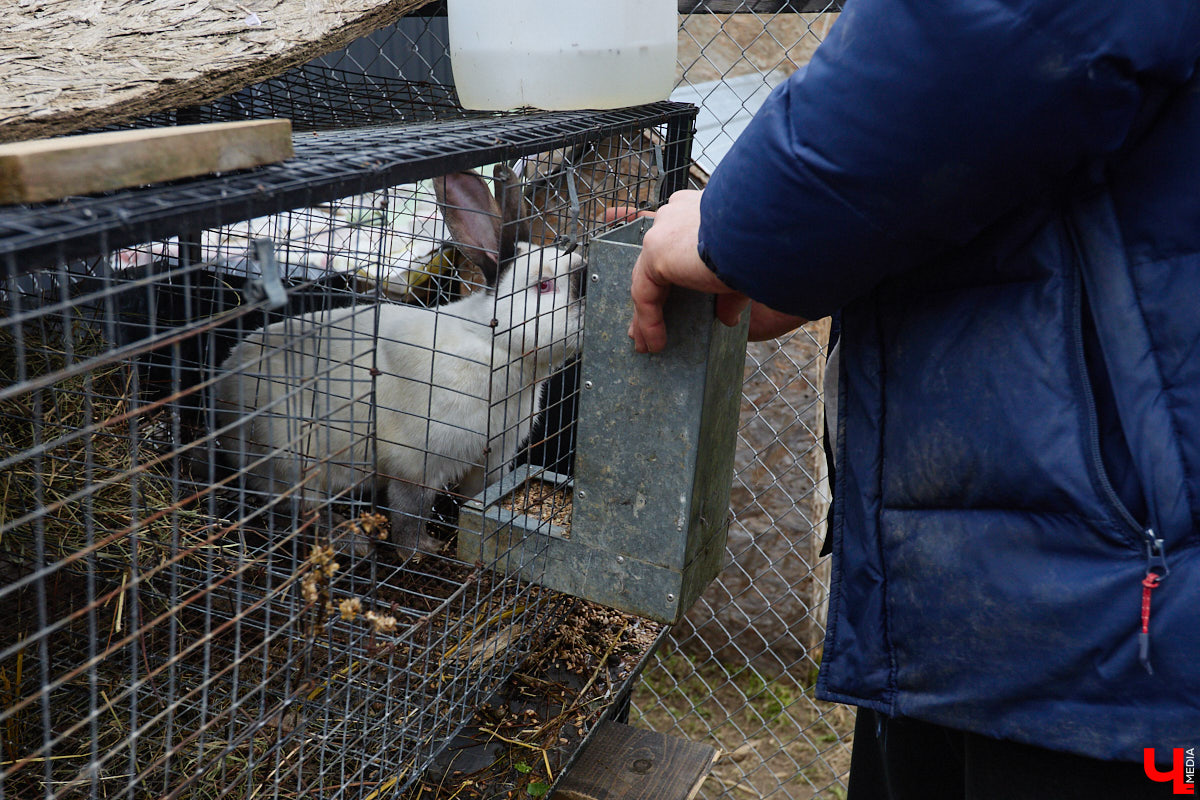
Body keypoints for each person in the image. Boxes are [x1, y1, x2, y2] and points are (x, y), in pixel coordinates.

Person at [628, 2, 1200, 798]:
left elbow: (982, 34)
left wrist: (733, 227)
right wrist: (820, 252)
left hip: (1105, 621)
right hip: (1025, 584)